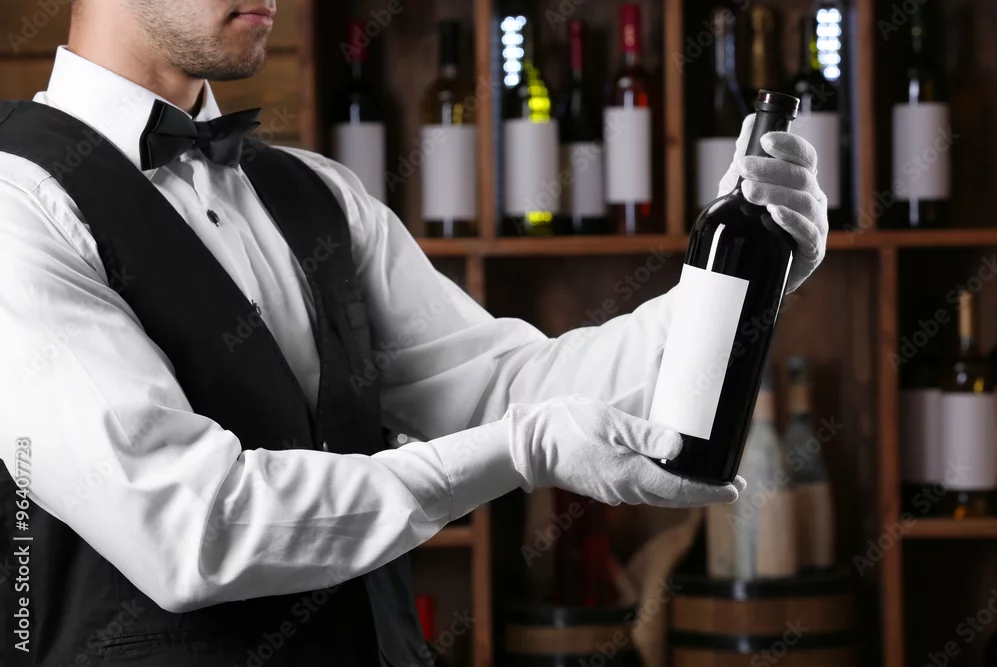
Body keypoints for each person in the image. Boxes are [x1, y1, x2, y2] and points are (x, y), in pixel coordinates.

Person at [0, 1, 828, 665]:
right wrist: (519, 449)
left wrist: (743, 279)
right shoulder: (19, 206)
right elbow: (193, 528)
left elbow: (508, 387)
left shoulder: (319, 195)